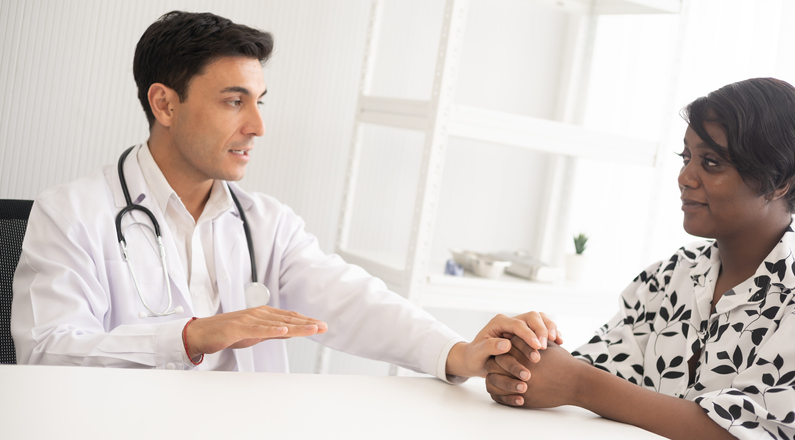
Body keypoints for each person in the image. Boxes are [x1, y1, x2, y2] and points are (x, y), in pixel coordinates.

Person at [10, 11, 561, 378]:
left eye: (259, 101)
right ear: (165, 104)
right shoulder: (72, 213)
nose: (257, 126)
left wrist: (456, 352)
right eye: (233, 101)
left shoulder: (264, 222)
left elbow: (353, 301)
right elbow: (46, 352)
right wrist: (193, 335)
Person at [485, 77, 795, 440]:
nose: (684, 177)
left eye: (710, 163)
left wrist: (578, 384)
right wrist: (526, 360)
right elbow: (599, 368)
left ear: (779, 183)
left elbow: (747, 431)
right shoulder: (668, 277)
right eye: (685, 157)